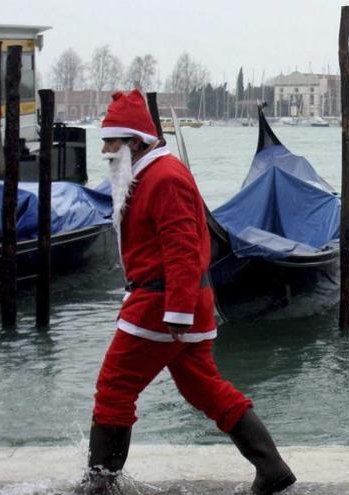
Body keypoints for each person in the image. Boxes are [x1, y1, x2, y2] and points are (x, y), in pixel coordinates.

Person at [85, 89, 295, 494]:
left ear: (136, 141)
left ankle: (99, 486)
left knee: (114, 388)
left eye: (111, 141)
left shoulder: (164, 177)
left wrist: (177, 312)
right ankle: (272, 469)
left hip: (164, 304)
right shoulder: (148, 174)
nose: (105, 149)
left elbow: (183, 250)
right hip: (174, 302)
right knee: (204, 387)